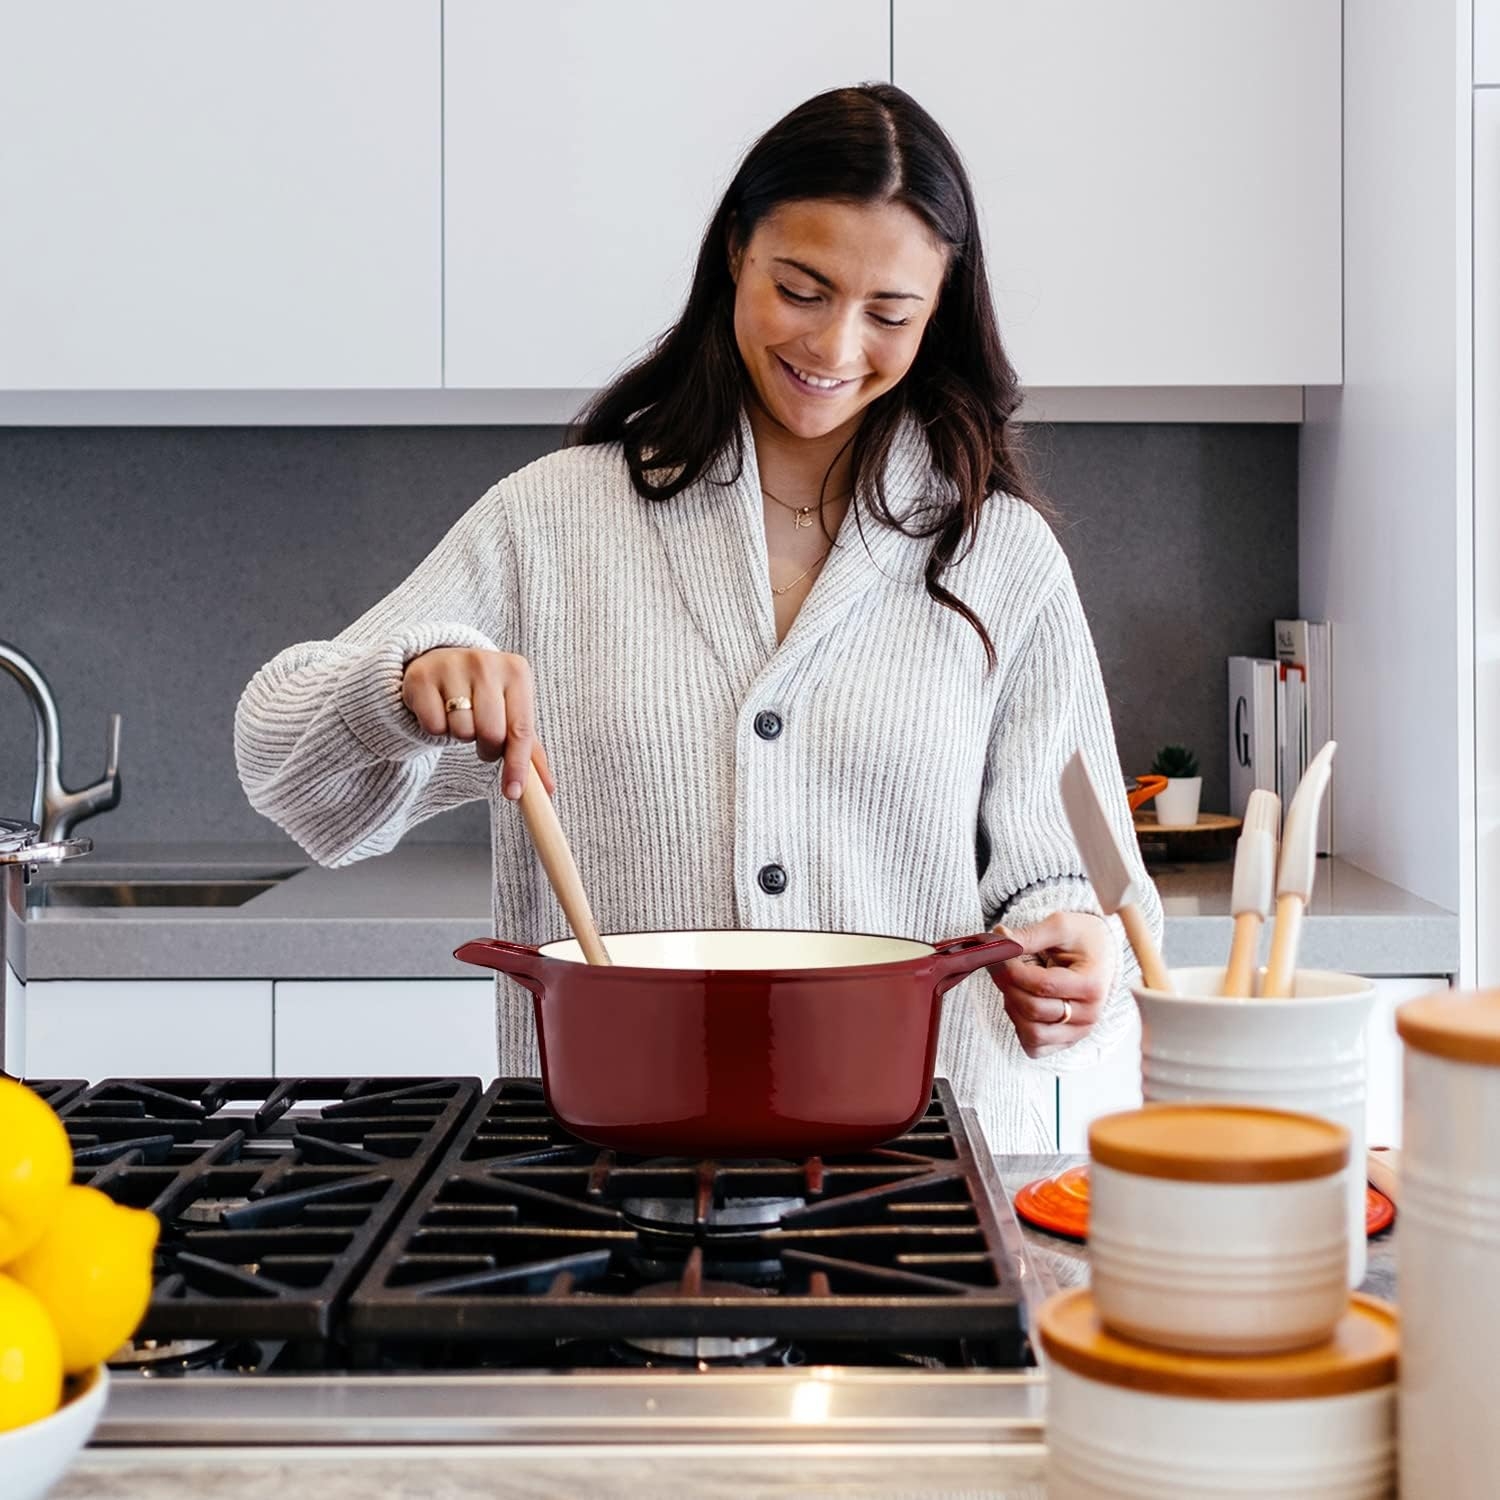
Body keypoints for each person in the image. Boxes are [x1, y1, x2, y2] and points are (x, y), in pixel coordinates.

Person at [235, 83, 1163, 1152]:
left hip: (920, 1190)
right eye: (801, 288)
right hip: (603, 1182)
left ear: (941, 308)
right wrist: (402, 686)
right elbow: (284, 766)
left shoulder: (999, 554)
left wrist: (1078, 950)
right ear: (736, 252)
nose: (836, 344)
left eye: (889, 313)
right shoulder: (557, 521)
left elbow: (1075, 877)